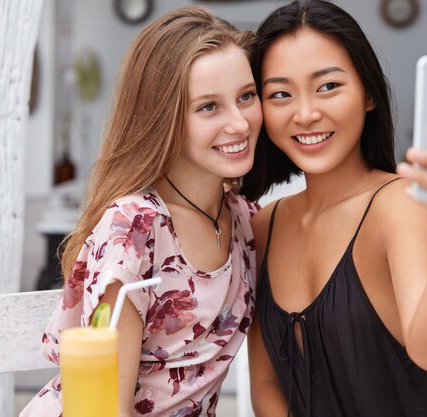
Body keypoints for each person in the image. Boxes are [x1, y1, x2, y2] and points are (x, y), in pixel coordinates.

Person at [241, 1, 427, 416]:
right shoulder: (263, 223)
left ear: (369, 93)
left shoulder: (399, 205)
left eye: (328, 86)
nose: (306, 113)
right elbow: (265, 384)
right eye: (280, 94)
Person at [20, 7, 261, 417]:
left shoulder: (245, 219)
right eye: (208, 107)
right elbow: (105, 411)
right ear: (163, 118)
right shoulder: (134, 228)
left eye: (246, 96)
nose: (239, 123)